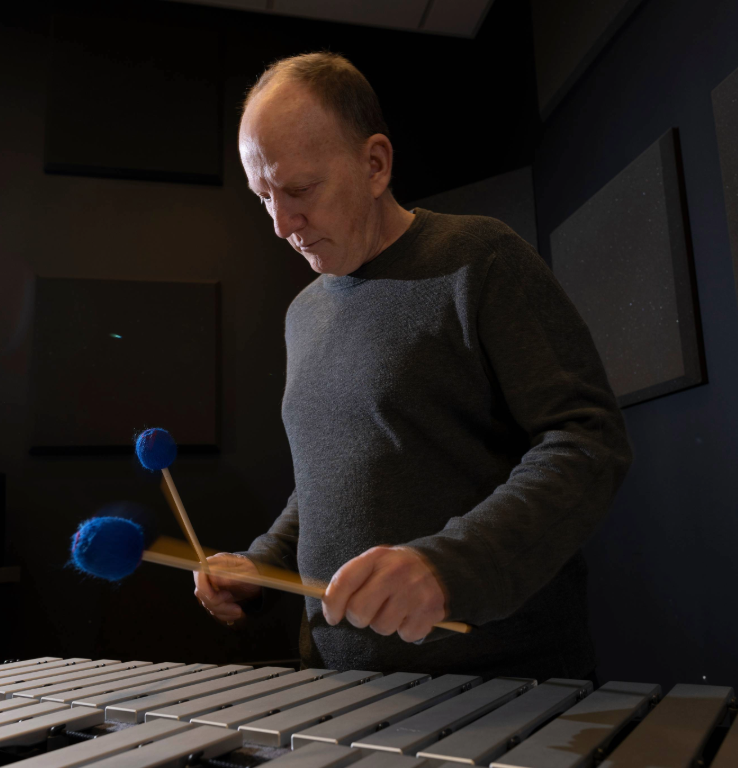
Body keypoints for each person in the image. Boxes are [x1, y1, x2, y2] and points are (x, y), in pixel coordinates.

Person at [194, 52, 633, 681]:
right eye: (263, 196)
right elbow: (330, 482)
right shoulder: (303, 313)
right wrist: (262, 566)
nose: (281, 223)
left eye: (299, 190)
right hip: (336, 681)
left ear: (375, 164)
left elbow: (587, 441)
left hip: (496, 683)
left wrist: (449, 568)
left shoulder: (480, 259)